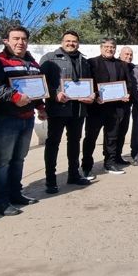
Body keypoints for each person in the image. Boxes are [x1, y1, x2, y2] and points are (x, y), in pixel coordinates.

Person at [0, 25, 46, 216]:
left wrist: (40, 106)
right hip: (4, 119)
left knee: (19, 159)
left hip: (27, 119)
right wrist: (14, 97)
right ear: (6, 41)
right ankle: (0, 202)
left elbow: (36, 88)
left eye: (23, 39)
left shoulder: (32, 63)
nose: (20, 42)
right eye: (16, 39)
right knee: (2, 162)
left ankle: (15, 194)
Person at [39, 30, 94, 194]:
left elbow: (90, 83)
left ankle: (74, 174)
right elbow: (40, 82)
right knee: (53, 143)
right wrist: (55, 93)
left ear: (78, 43)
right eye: (68, 40)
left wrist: (91, 95)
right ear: (62, 41)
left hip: (78, 110)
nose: (71, 43)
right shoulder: (49, 58)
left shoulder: (84, 61)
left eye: (74, 41)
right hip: (57, 109)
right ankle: (50, 180)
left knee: (75, 142)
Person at [83, 38, 134, 175]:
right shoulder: (92, 63)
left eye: (112, 47)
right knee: (91, 138)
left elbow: (128, 83)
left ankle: (109, 163)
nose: (109, 49)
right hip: (96, 108)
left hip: (115, 108)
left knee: (112, 137)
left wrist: (127, 94)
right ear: (101, 48)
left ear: (115, 49)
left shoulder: (121, 64)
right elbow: (88, 82)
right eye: (106, 46)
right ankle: (86, 166)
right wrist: (95, 96)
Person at [116, 46, 135, 163]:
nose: (129, 56)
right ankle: (110, 158)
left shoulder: (132, 67)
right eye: (126, 54)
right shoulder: (115, 64)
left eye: (130, 54)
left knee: (122, 131)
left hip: (127, 106)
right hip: (114, 106)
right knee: (113, 133)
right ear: (120, 54)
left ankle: (118, 156)